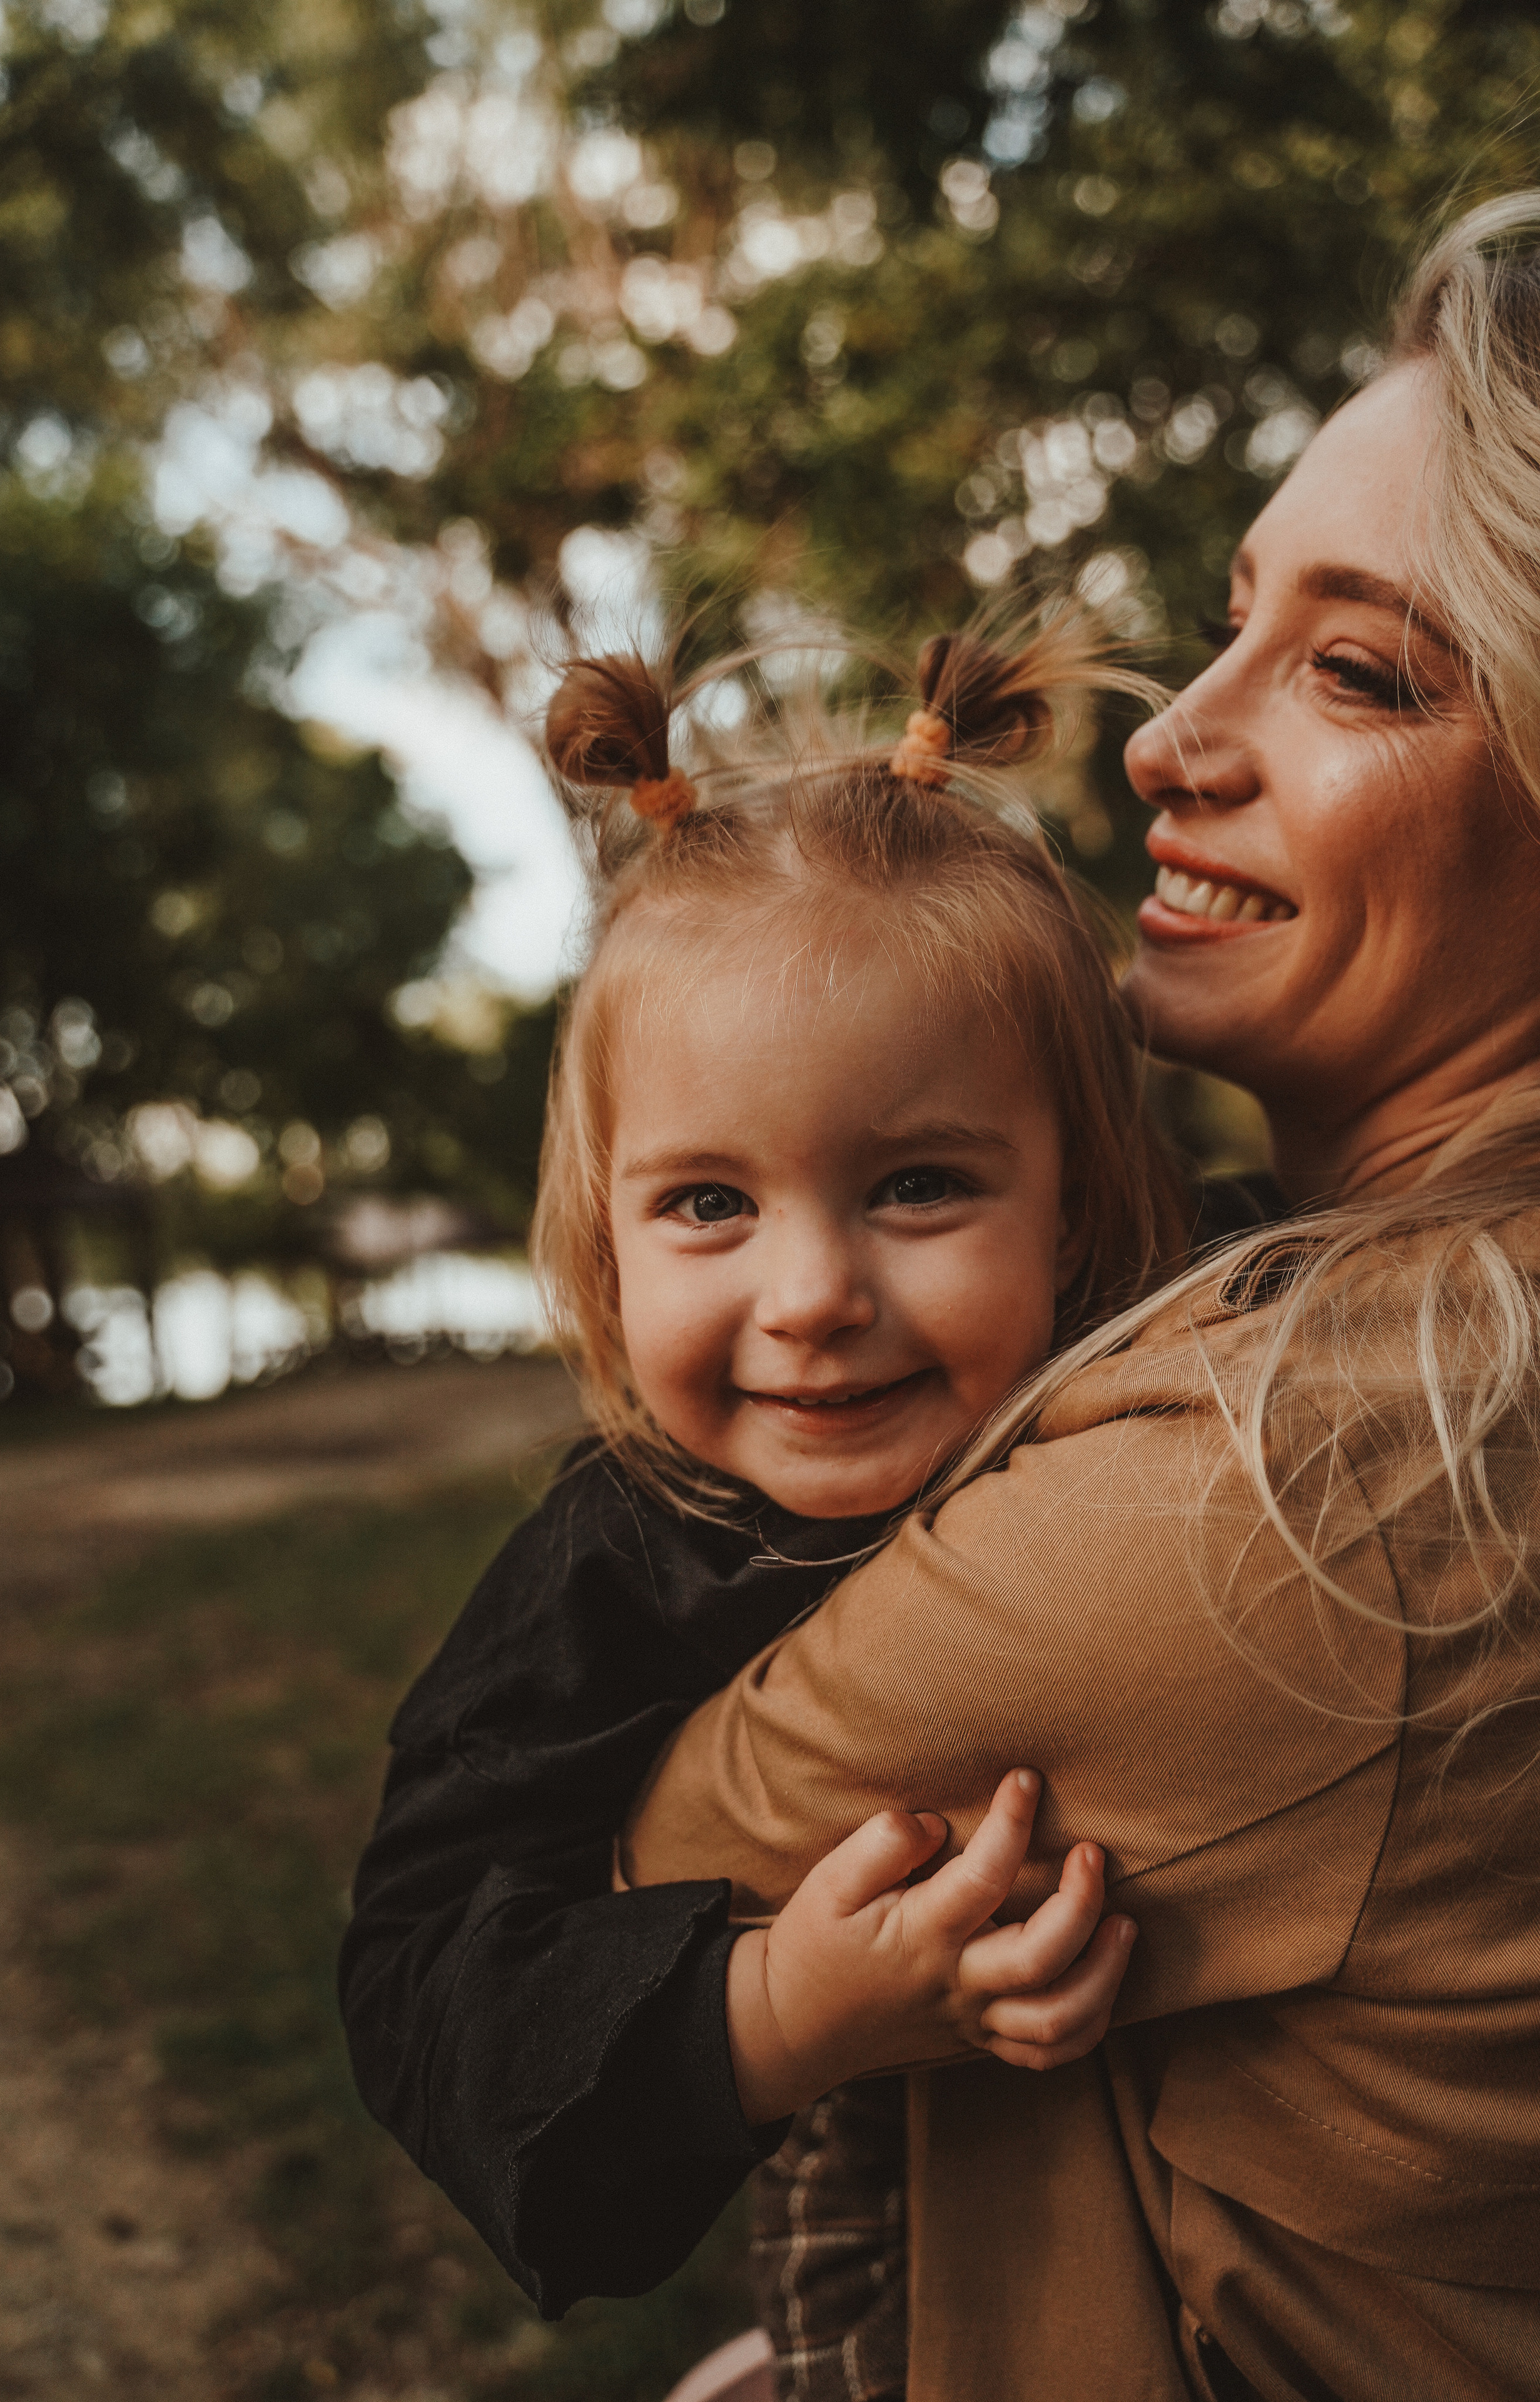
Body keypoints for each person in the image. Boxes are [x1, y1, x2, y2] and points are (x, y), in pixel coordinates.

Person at [619, 194, 1540, 2401]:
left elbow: (649, 1840)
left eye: (1360, 671)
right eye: (1237, 621)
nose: (1162, 742)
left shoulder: (1333, 1466)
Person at [339, 615, 1243, 2386]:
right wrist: (785, 2011)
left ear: (1070, 1205)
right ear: (606, 1237)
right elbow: (418, 1967)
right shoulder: (625, 1559)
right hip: (896, 2266)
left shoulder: (1188, 1348)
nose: (812, 1295)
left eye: (915, 1184)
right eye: (708, 1207)